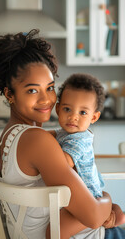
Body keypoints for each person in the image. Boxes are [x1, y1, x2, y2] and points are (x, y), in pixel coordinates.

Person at [0, 29, 125, 239]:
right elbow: (93, 216)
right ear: (9, 94)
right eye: (32, 90)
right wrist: (107, 199)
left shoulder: (9, 136)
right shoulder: (35, 140)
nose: (46, 100)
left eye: (49, 88)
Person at [50, 73, 125, 230]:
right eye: (67, 109)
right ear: (58, 109)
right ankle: (112, 212)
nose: (73, 117)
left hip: (88, 198)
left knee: (57, 230)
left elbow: (63, 163)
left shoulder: (80, 139)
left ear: (94, 117)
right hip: (81, 194)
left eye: (82, 112)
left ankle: (109, 216)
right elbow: (47, 136)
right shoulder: (65, 132)